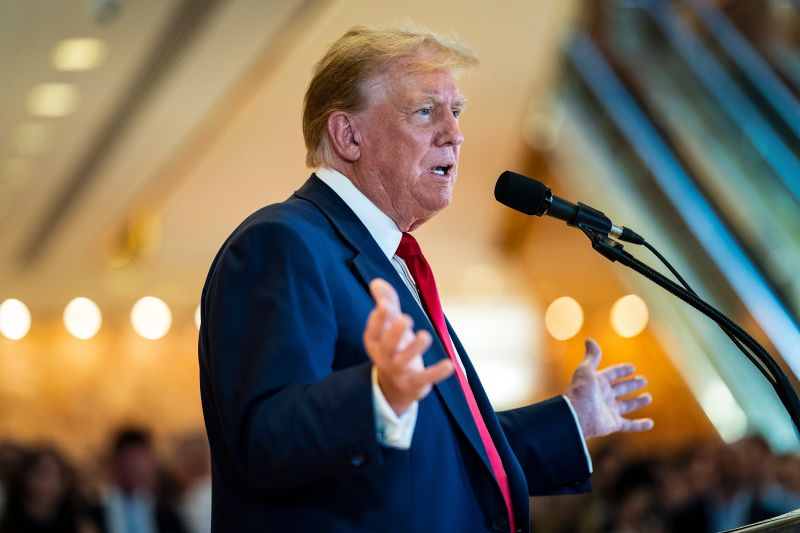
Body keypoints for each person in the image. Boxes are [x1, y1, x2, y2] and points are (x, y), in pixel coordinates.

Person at [198, 25, 653, 532]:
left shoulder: (387, 257)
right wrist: (375, 396)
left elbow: (441, 448)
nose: (454, 134)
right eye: (425, 111)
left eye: (455, 112)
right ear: (348, 135)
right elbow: (266, 438)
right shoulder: (283, 244)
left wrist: (571, 419)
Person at [87, 428, 187, 533]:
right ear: (114, 463)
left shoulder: (168, 515)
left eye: (139, 461)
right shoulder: (94, 516)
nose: (134, 468)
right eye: (128, 460)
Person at [0, 446, 96, 533]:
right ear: (25, 476)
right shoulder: (7, 519)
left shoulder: (80, 523)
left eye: (56, 476)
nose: (48, 482)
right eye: (42, 473)